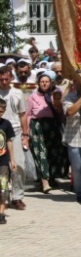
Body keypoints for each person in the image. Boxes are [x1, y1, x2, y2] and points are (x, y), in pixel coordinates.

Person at [26, 71, 65, 193]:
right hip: (37, 127)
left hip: (53, 127)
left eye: (47, 82)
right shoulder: (32, 97)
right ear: (38, 83)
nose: (44, 84)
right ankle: (45, 182)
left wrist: (58, 105)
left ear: (51, 83)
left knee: (53, 153)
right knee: (41, 153)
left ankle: (52, 178)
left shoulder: (56, 95)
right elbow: (27, 115)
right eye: (42, 82)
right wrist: (26, 134)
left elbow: (61, 113)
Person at [0, 67, 28, 211]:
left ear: (11, 78)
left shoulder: (17, 93)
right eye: (1, 79)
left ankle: (17, 197)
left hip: (15, 131)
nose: (4, 82)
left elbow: (23, 115)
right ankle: (2, 198)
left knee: (18, 165)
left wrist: (25, 135)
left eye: (6, 79)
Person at [0, 98, 17, 225]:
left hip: (3, 160)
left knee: (3, 187)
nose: (0, 113)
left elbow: (9, 142)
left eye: (2, 111)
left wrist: (12, 159)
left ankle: (1, 213)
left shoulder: (6, 124)